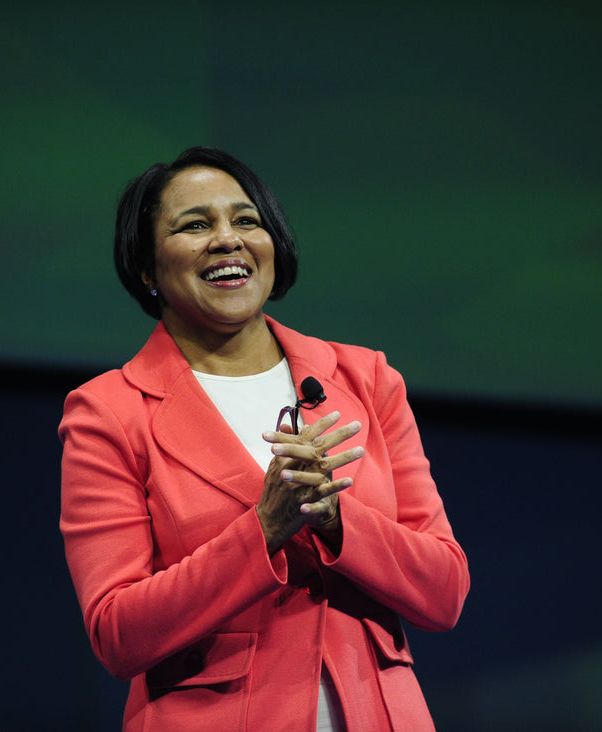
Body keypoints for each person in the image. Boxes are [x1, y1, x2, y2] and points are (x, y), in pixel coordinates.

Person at [59, 146, 469, 731]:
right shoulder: (110, 413)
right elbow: (118, 633)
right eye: (195, 224)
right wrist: (262, 531)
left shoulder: (366, 379)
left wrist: (337, 521)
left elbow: (445, 590)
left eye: (246, 220)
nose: (228, 240)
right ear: (147, 267)